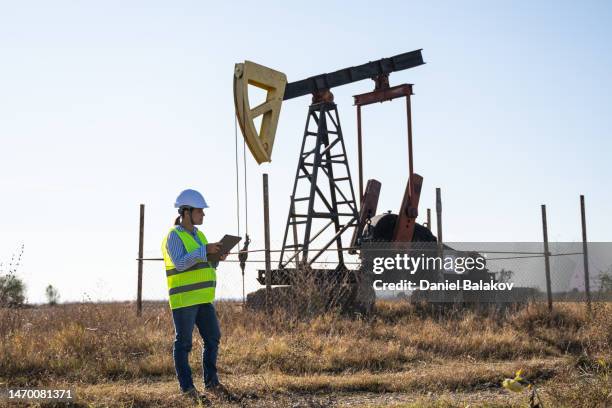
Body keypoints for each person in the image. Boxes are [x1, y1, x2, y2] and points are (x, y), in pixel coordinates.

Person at [161, 188, 231, 401]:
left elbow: (204, 265)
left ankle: (211, 383)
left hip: (203, 299)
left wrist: (217, 257)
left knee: (213, 338)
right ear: (186, 212)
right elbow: (180, 264)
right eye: (200, 211)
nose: (203, 215)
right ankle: (187, 389)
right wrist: (204, 251)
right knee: (183, 344)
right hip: (184, 300)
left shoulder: (200, 235)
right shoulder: (173, 236)